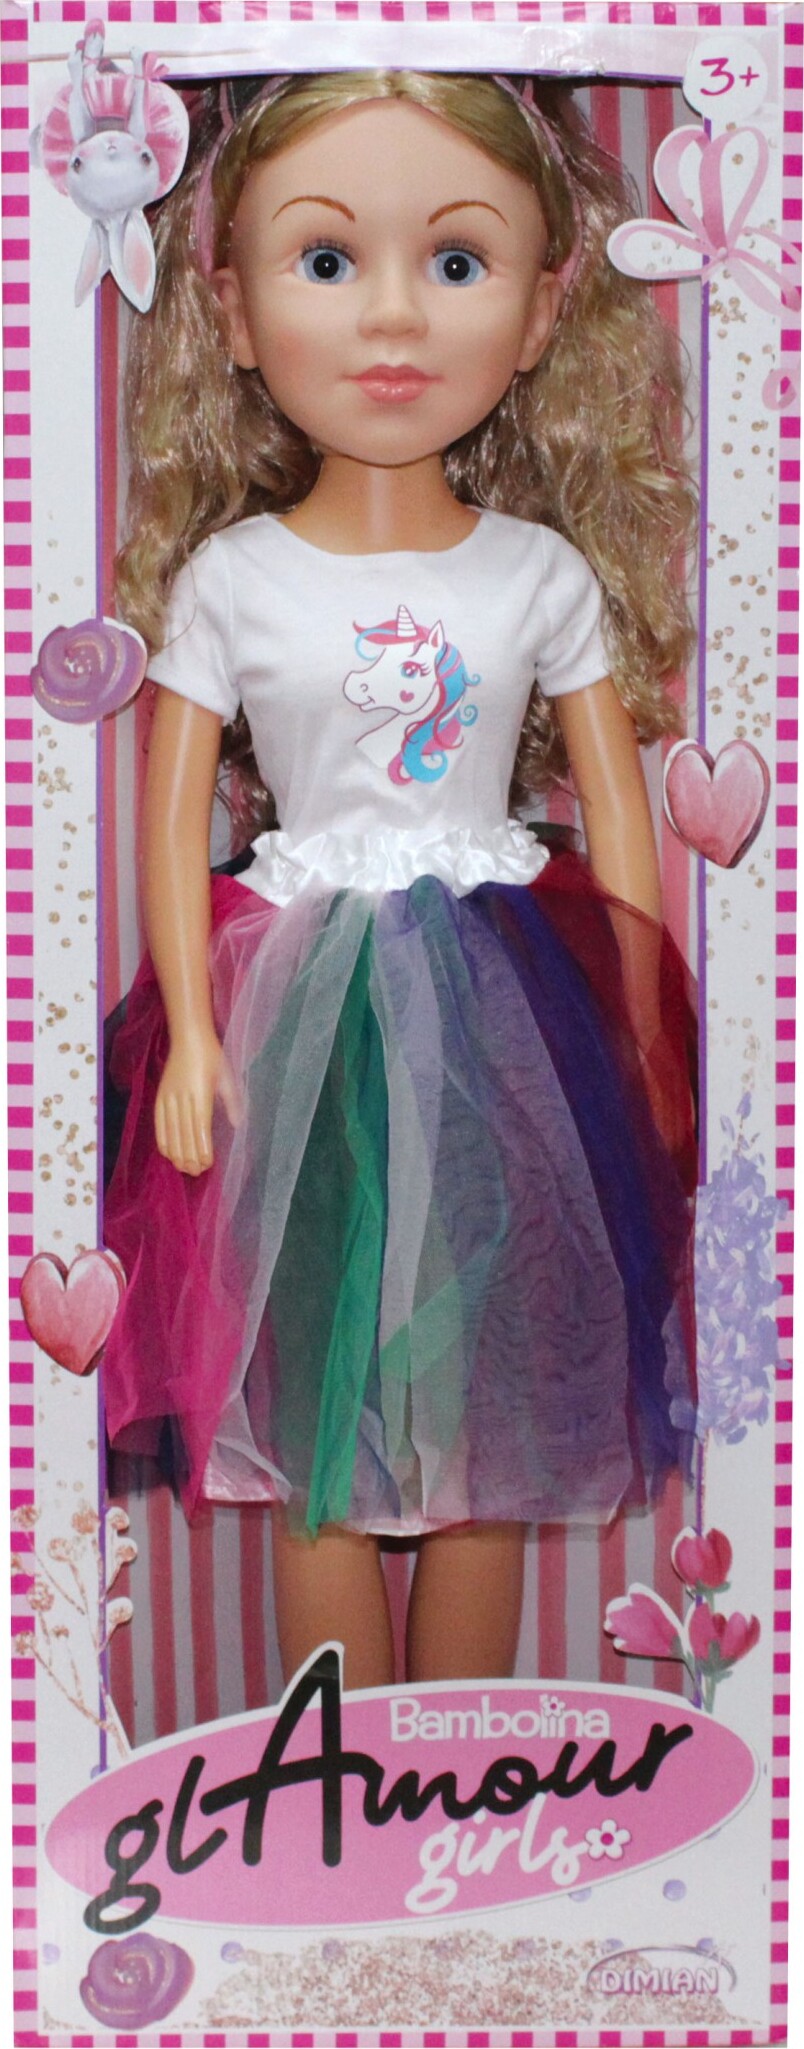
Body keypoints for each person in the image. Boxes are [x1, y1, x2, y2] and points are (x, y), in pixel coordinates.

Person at [103, 69, 698, 1691]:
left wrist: (643, 1017)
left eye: (454, 261)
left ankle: (456, 1762)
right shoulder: (233, 577)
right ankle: (338, 1779)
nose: (391, 316)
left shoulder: (536, 573)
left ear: (543, 308)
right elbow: (168, 813)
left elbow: (618, 809)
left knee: (488, 1410)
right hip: (289, 1004)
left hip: (505, 1007)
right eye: (324, 259)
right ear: (234, 312)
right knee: (314, 1410)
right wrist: (196, 1033)